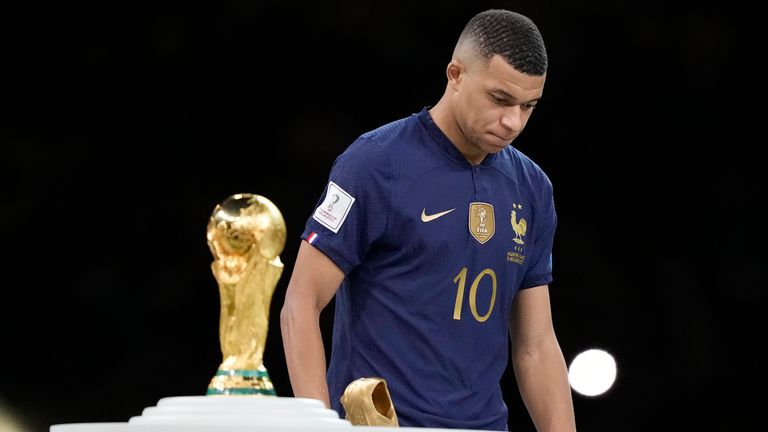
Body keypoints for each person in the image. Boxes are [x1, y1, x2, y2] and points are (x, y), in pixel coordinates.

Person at [280, 8, 576, 431]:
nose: (513, 121)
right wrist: (319, 426)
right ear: (455, 74)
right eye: (500, 99)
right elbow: (301, 305)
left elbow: (536, 345)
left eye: (528, 106)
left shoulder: (531, 188)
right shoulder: (374, 164)